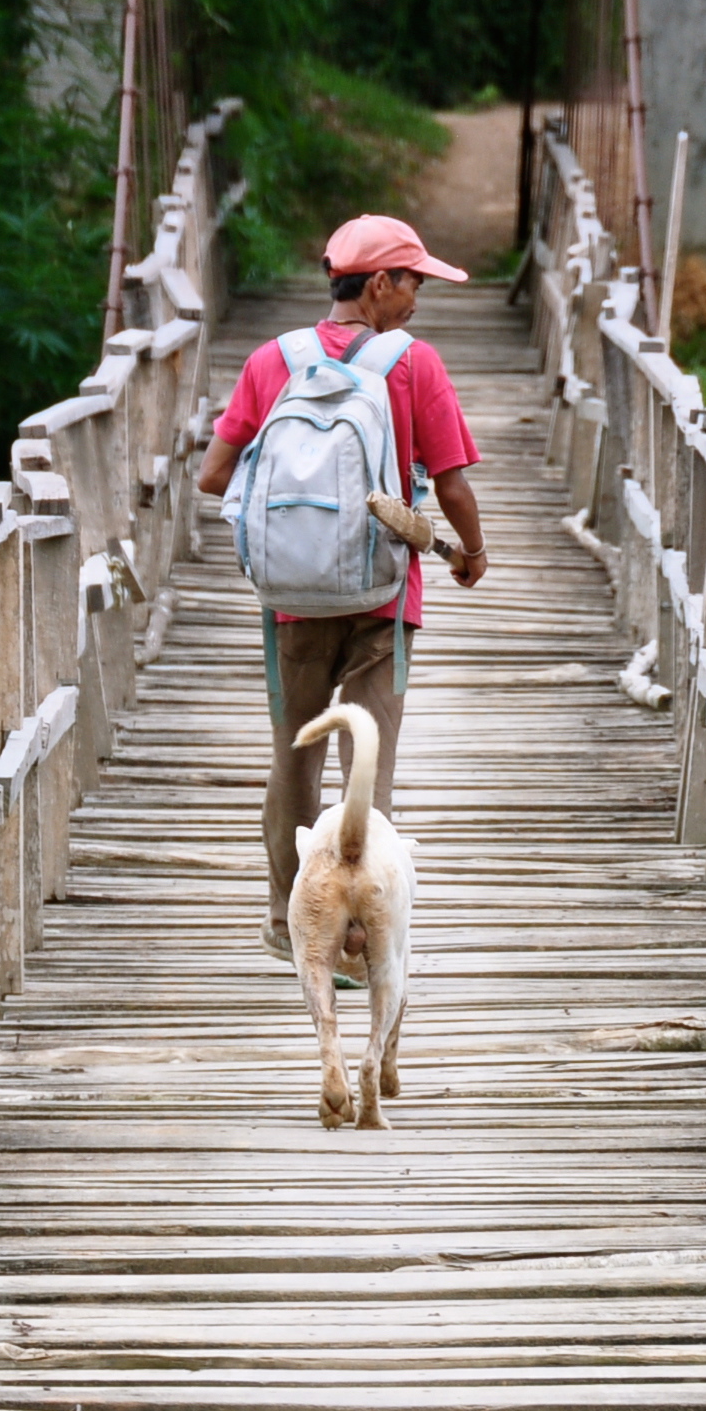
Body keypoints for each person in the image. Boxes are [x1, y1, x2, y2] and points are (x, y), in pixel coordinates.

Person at [198, 214, 491, 963]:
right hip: (382, 600)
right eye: (414, 282)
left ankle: (287, 921)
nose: (418, 299)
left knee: (294, 757)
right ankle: (359, 933)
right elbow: (452, 485)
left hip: (292, 599)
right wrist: (471, 552)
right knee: (367, 764)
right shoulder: (413, 363)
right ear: (380, 283)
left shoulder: (274, 360)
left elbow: (213, 476)